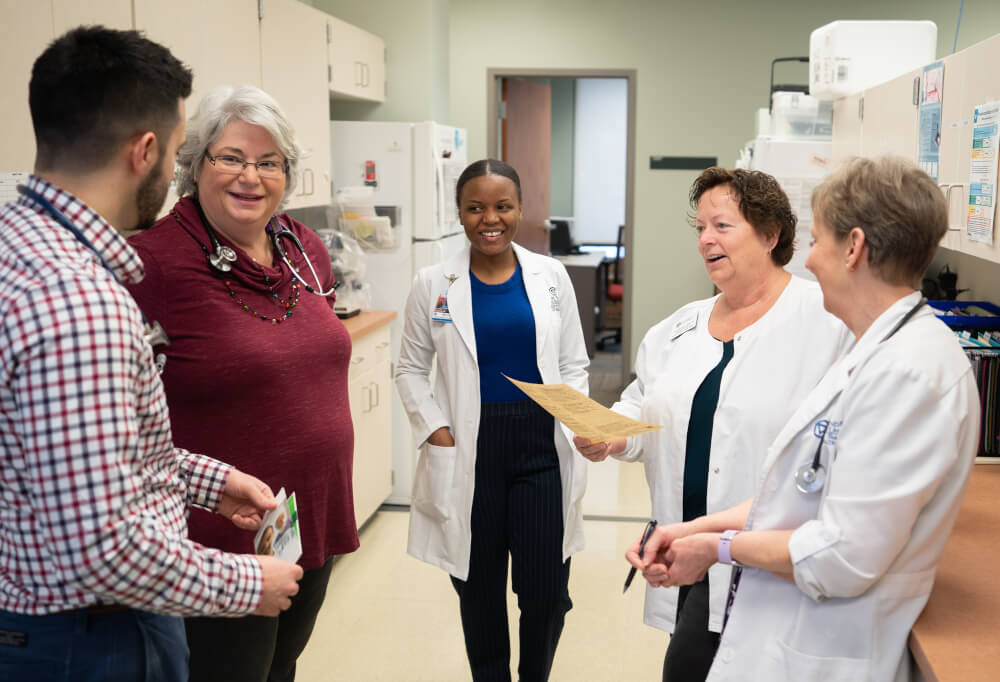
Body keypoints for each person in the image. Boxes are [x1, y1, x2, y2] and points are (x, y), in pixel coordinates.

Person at [0, 26, 302, 682]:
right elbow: (102, 548)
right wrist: (245, 585)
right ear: (147, 151)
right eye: (179, 150)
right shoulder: (81, 303)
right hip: (88, 637)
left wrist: (206, 481)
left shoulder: (17, 248)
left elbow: (68, 457)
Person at [631, 156, 979, 681]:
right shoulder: (875, 353)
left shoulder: (911, 373)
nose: (809, 261)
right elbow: (797, 492)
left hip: (832, 641)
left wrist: (716, 547)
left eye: (816, 241)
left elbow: (841, 556)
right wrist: (694, 530)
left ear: (854, 248)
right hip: (785, 621)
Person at [573, 167, 853, 680]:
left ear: (771, 235)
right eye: (700, 227)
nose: (705, 239)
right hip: (685, 549)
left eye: (722, 226)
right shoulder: (677, 328)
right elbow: (644, 401)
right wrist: (613, 433)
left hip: (768, 557)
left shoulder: (827, 321)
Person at [125, 84, 357, 682]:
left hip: (309, 518)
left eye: (269, 162)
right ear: (194, 164)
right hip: (215, 538)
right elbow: (120, 421)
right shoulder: (150, 263)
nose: (250, 177)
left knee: (283, 668)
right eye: (230, 157)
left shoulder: (301, 248)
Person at [395, 159, 589, 681]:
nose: (490, 219)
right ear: (459, 213)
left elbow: (573, 363)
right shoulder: (433, 281)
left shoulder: (552, 277)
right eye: (475, 207)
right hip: (469, 448)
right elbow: (410, 367)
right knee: (479, 590)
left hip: (542, 444)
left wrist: (581, 421)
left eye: (502, 206)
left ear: (520, 209)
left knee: (547, 590)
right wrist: (435, 428)